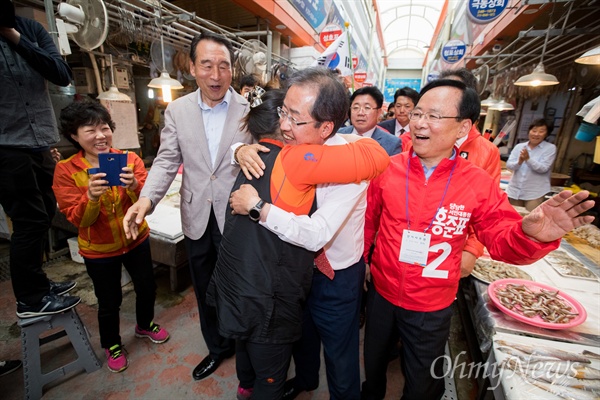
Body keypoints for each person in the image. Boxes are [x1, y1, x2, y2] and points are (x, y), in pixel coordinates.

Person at [360, 79, 594, 400]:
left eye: (434, 116)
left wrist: (530, 235)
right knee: (372, 368)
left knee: (421, 384)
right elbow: (369, 222)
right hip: (382, 294)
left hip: (432, 305)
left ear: (462, 128)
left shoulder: (477, 183)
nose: (420, 123)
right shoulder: (388, 168)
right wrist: (365, 263)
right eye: (417, 113)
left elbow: (501, 239)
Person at [209, 88, 389, 399]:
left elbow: (317, 233)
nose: (286, 126)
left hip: (336, 274)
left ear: (325, 127)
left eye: (296, 118)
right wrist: (241, 148)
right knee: (301, 338)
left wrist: (258, 208)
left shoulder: (350, 160)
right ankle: (306, 381)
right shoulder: (292, 152)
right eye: (284, 115)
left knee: (339, 354)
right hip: (296, 272)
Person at [123, 32, 252, 381]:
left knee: (240, 287)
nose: (215, 75)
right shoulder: (177, 110)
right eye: (207, 65)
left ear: (232, 71)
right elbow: (166, 161)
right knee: (206, 286)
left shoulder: (248, 110)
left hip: (238, 217)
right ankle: (217, 348)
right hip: (195, 217)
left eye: (223, 66)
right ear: (192, 68)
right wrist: (145, 201)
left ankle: (246, 353)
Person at [53, 101, 169, 373]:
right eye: (90, 130)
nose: (100, 135)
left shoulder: (129, 160)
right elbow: (77, 219)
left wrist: (135, 186)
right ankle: (112, 343)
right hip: (99, 250)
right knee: (109, 300)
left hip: (136, 241)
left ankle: (144, 324)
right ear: (74, 135)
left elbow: (147, 201)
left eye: (104, 128)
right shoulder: (67, 171)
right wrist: (91, 197)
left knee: (147, 287)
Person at [0, 1, 79, 318]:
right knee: (28, 219)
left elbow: (61, 74)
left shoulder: (30, 29)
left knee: (46, 210)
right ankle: (30, 299)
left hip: (40, 140)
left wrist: (14, 36)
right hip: (5, 143)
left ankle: (40, 284)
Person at [438, 67, 502, 277]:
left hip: (455, 247)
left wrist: (472, 250)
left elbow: (488, 211)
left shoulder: (486, 151)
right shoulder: (414, 141)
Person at [506, 118, 557, 211]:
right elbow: (509, 165)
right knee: (512, 218)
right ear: (529, 131)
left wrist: (528, 159)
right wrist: (520, 162)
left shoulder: (550, 148)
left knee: (530, 220)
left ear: (547, 134)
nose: (536, 134)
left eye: (541, 131)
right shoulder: (519, 147)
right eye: (534, 130)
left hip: (535, 193)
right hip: (515, 190)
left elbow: (543, 168)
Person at [338, 86, 401, 156]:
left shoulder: (391, 143)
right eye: (356, 107)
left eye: (367, 108)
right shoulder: (337, 134)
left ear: (379, 112)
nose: (360, 113)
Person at [378, 86, 419, 150]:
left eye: (407, 106)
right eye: (398, 106)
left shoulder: (419, 130)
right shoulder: (381, 128)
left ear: (415, 108)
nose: (402, 110)